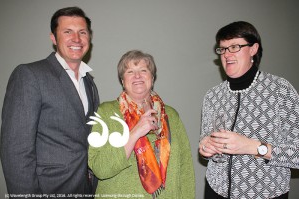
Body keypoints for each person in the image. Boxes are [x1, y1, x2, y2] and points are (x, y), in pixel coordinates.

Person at [0, 7, 99, 196]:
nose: (76, 39)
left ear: (89, 37)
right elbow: (15, 151)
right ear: (53, 38)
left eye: (82, 32)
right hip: (48, 189)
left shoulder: (89, 82)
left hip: (86, 189)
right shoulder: (29, 75)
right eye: (67, 32)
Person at [198, 21, 299, 199]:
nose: (227, 54)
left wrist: (253, 147)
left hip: (265, 194)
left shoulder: (280, 90)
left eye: (234, 47)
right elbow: (207, 141)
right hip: (215, 191)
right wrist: (206, 148)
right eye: (223, 49)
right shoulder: (212, 95)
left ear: (253, 49)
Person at [88, 50, 195, 198]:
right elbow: (100, 168)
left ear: (152, 77)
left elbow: (185, 168)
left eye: (143, 70)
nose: (137, 76)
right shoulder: (106, 112)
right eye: (130, 71)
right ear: (122, 80)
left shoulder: (171, 116)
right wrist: (135, 132)